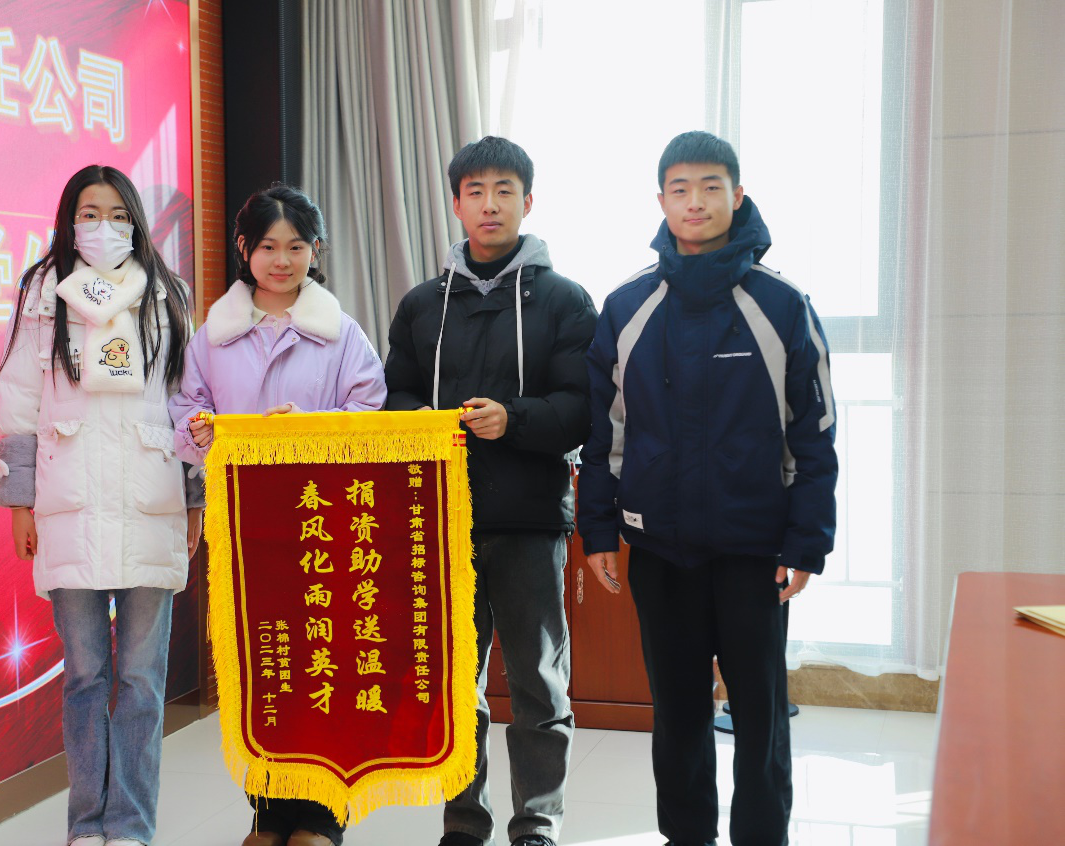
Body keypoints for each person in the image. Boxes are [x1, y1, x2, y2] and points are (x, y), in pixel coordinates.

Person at [577, 130, 839, 846]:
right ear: (660, 200)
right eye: (680, 188)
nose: (695, 201)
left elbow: (813, 433)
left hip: (754, 549)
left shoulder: (781, 304)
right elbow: (603, 433)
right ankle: (685, 836)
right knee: (677, 712)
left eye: (710, 186)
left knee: (760, 712)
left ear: (737, 194)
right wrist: (597, 529)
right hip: (660, 550)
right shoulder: (626, 305)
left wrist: (806, 543)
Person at [384, 136, 597, 846]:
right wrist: (420, 419)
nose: (489, 204)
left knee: (538, 683)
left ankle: (537, 823)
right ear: (456, 204)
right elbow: (392, 394)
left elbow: (582, 408)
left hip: (529, 520)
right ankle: (462, 823)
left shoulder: (565, 300)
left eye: (504, 190)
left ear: (527, 202)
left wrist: (513, 419)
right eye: (474, 191)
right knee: (454, 687)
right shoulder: (422, 305)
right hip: (441, 523)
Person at [168, 184, 386, 846]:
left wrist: (311, 426)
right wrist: (202, 431)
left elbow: (369, 414)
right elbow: (184, 411)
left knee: (324, 661)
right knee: (262, 663)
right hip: (246, 526)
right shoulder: (213, 336)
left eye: (296, 247)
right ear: (245, 250)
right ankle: (267, 810)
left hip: (324, 522)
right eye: (268, 247)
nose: (282, 260)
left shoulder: (341, 333)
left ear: (316, 251)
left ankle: (321, 815)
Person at [0, 164, 203, 846]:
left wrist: (194, 496)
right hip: (70, 503)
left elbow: (188, 403)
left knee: (141, 680)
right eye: (90, 212)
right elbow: (19, 401)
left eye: (117, 213)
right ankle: (86, 825)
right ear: (69, 219)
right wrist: (20, 501)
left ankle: (131, 825)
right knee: (85, 676)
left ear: (135, 221)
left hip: (150, 501)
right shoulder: (41, 291)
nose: (103, 226)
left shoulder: (167, 293)